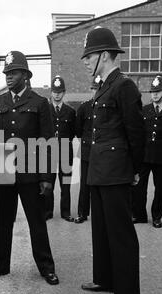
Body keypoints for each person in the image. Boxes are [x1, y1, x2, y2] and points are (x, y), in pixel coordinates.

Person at [0, 51, 59, 285]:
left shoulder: (40, 103)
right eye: (7, 73)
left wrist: (47, 178)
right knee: (3, 221)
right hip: (4, 173)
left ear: (25, 75)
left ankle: (46, 267)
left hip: (31, 173)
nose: (9, 77)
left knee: (37, 222)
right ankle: (0, 265)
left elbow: (48, 143)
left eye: (13, 72)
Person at [81, 27, 145, 294]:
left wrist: (135, 170)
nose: (85, 61)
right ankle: (105, 278)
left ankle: (128, 293)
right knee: (102, 230)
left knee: (120, 233)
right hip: (99, 170)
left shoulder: (124, 86)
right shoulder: (104, 85)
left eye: (89, 56)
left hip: (117, 170)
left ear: (104, 55)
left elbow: (135, 132)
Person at [132, 76, 162, 228]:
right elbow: (138, 134)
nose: (155, 94)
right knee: (139, 187)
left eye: (158, 91)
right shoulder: (144, 110)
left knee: (160, 189)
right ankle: (140, 215)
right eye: (152, 92)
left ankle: (156, 217)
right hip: (145, 155)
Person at [45, 75, 76, 222]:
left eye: (60, 91)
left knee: (66, 184)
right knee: (48, 183)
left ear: (64, 93)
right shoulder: (45, 110)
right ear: (51, 92)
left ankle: (65, 212)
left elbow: (73, 132)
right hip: (49, 151)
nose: (57, 94)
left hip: (65, 150)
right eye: (55, 91)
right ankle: (47, 211)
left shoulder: (70, 112)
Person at [74, 76, 100, 224]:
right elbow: (78, 130)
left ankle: (98, 214)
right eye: (94, 89)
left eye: (98, 89)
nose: (96, 92)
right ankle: (82, 213)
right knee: (84, 184)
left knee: (99, 184)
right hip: (86, 151)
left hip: (101, 151)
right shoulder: (84, 108)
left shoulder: (107, 106)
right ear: (91, 90)